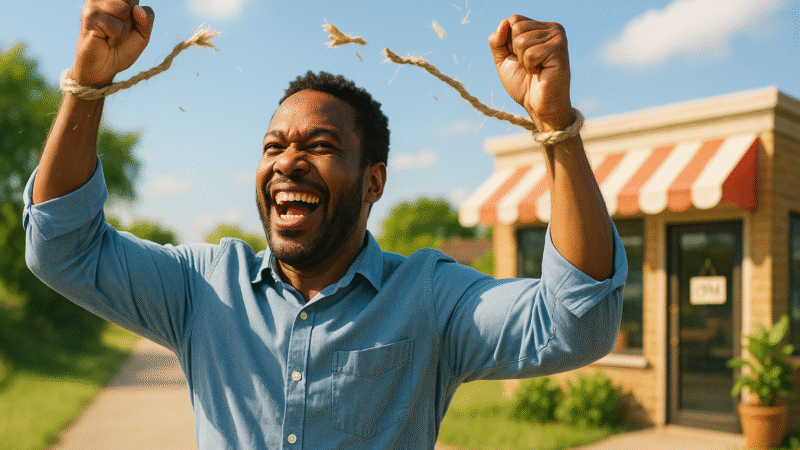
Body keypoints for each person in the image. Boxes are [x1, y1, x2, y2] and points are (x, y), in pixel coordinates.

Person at [24, 1, 626, 448]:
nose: (288, 161)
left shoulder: (429, 298)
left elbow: (577, 323)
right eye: (274, 145)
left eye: (319, 145)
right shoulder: (202, 289)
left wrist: (556, 126)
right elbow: (61, 248)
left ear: (373, 182)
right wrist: (90, 82)